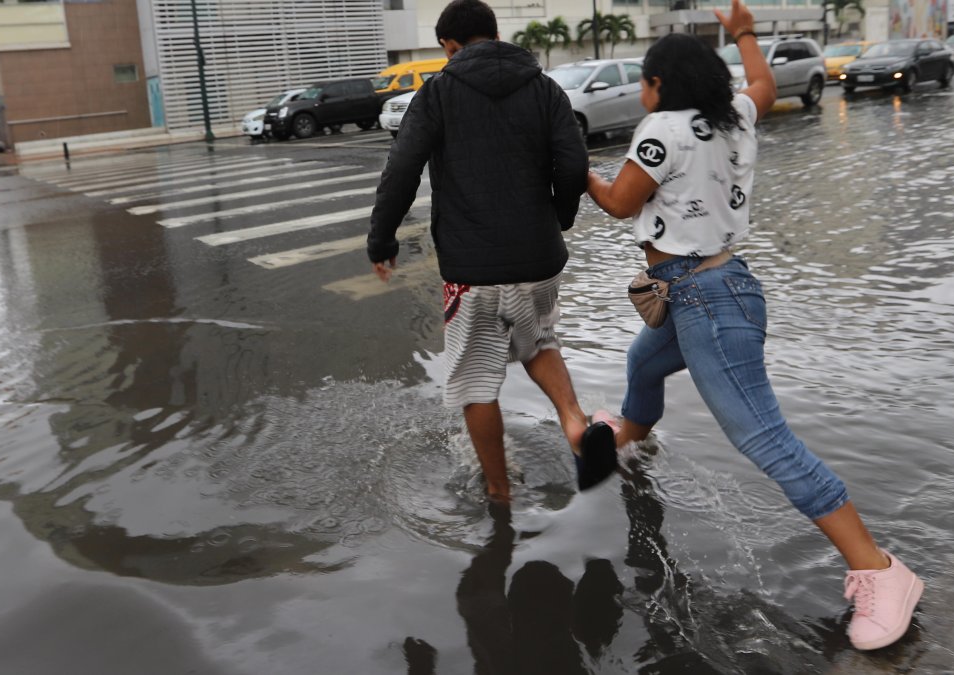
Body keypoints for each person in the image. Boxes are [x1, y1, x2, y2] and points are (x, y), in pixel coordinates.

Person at [584, 0, 924, 652]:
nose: (643, 92)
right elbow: (763, 85)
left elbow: (621, 202)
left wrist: (583, 174)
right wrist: (743, 32)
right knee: (644, 365)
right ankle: (627, 436)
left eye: (646, 82)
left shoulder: (662, 129)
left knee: (766, 440)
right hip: (712, 287)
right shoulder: (730, 115)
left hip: (706, 300)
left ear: (658, 85)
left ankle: (881, 571)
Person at [367, 0, 616, 502]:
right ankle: (574, 424)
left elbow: (402, 169)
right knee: (540, 343)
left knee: (476, 381)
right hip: (539, 259)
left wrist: (383, 238)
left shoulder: (437, 93)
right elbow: (573, 163)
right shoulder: (545, 88)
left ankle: (499, 490)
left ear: (450, 46)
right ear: (495, 33)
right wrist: (558, 218)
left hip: (472, 270)